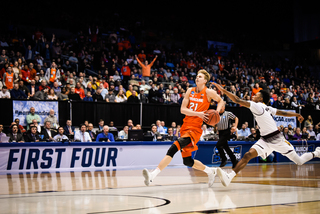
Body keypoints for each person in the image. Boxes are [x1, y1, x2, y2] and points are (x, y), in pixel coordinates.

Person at [212, 82, 320, 187]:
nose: (253, 96)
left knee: (299, 161)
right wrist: (296, 114)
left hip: (277, 139)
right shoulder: (267, 108)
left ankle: (316, 153)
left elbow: (237, 100)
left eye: (256, 95)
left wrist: (223, 90)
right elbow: (283, 113)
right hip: (264, 140)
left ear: (261, 99)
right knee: (248, 155)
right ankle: (229, 177)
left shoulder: (258, 106)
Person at [143, 69, 224, 187]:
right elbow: (182, 109)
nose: (197, 78)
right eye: (196, 76)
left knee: (173, 148)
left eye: (200, 77)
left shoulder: (208, 92)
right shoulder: (189, 91)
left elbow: (221, 100)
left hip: (195, 129)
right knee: (187, 161)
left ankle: (152, 176)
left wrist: (216, 112)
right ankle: (210, 171)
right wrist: (199, 113)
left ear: (205, 80)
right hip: (185, 127)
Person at [215, 102, 239, 168]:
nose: (220, 108)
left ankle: (224, 159)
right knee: (226, 147)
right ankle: (234, 160)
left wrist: (235, 126)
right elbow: (215, 124)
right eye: (219, 106)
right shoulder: (216, 115)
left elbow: (236, 118)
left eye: (221, 106)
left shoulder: (228, 113)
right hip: (220, 132)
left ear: (224, 107)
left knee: (218, 145)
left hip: (226, 131)